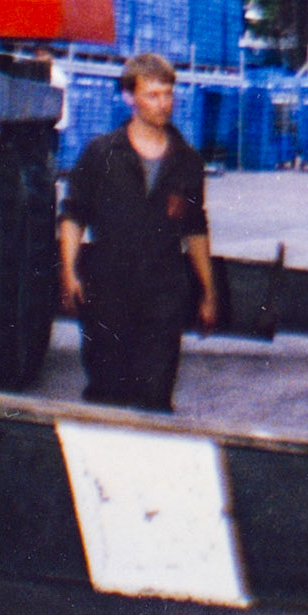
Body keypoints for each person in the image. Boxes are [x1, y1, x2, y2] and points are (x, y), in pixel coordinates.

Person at [58, 52, 217, 412]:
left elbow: (195, 230)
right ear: (130, 97)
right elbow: (73, 214)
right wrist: (68, 270)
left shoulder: (187, 163)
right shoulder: (102, 154)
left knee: (155, 397)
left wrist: (208, 292)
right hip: (108, 291)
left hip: (163, 294)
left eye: (168, 94)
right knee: (107, 392)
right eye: (152, 95)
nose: (163, 104)